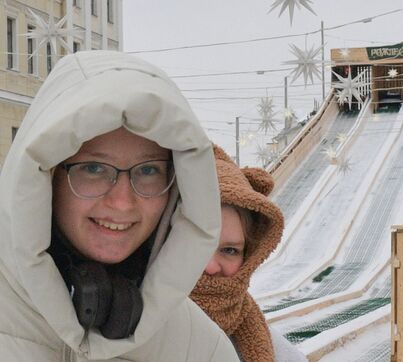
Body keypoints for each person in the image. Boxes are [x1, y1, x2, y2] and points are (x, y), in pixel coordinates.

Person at [0, 51, 239, 361]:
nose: (123, 202)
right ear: (47, 175)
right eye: (95, 169)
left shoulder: (202, 349)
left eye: (149, 170)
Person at [190, 146, 307, 362]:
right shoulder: (123, 331)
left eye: (229, 250)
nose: (211, 266)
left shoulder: (271, 349)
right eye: (198, 245)